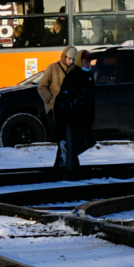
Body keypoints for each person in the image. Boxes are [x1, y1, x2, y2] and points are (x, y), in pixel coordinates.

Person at [53, 50, 96, 178]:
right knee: (73, 149)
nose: (89, 63)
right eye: (86, 61)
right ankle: (69, 176)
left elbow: (90, 99)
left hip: (83, 117)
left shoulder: (89, 76)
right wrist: (68, 117)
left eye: (89, 61)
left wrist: (90, 117)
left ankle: (65, 156)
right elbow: (65, 98)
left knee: (90, 140)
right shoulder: (73, 76)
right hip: (72, 118)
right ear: (79, 61)